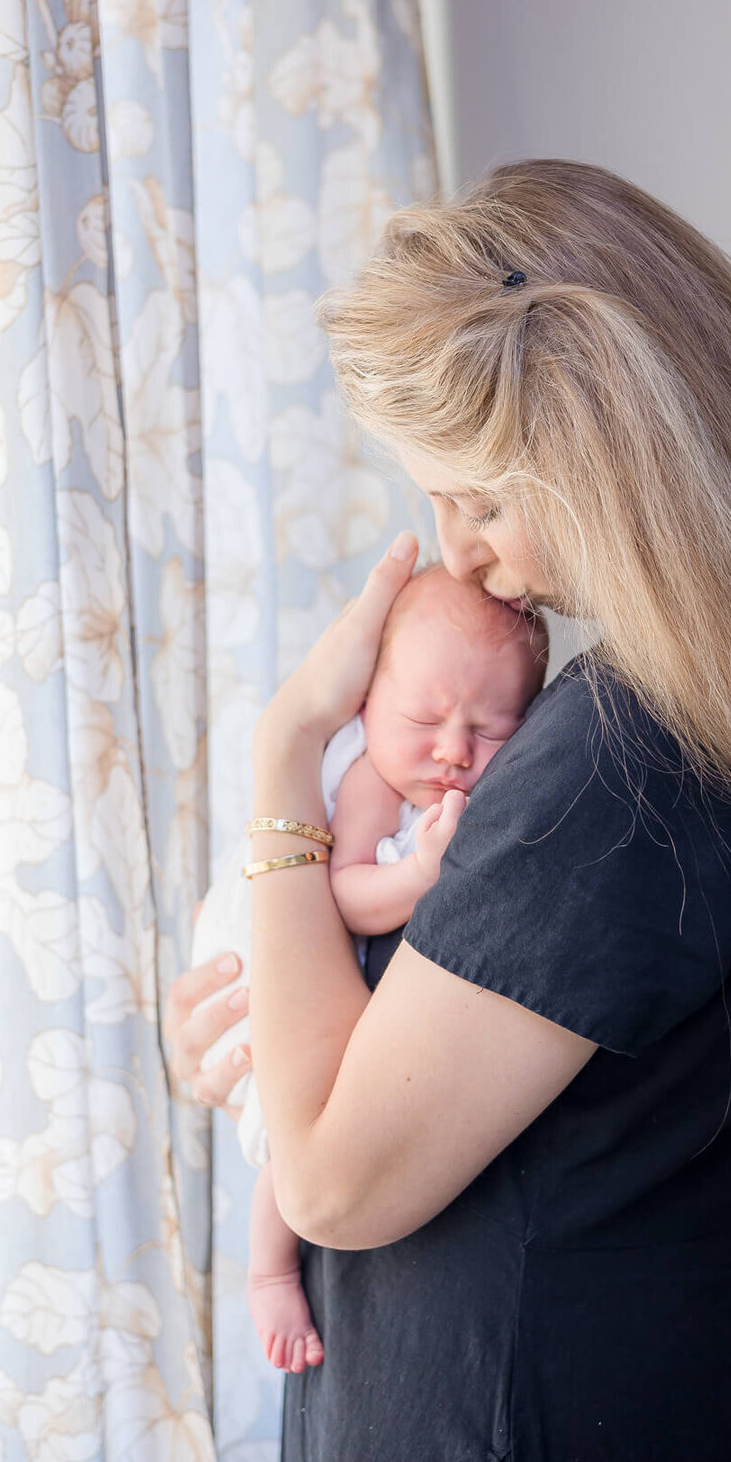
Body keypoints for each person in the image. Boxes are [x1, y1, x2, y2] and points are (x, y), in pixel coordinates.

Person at [165, 159, 731, 1462]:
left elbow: (329, 1182)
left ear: (619, 477)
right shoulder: (716, 729)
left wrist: (283, 759)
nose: (462, 556)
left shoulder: (614, 773)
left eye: (483, 504)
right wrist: (260, 1009)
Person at [188, 564, 547, 1376]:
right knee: (297, 1137)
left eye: (493, 730)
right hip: (276, 966)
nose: (453, 751)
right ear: (366, 703)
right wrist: (417, 878)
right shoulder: (369, 783)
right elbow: (345, 892)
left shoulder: (450, 783)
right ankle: (270, 1270)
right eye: (424, 717)